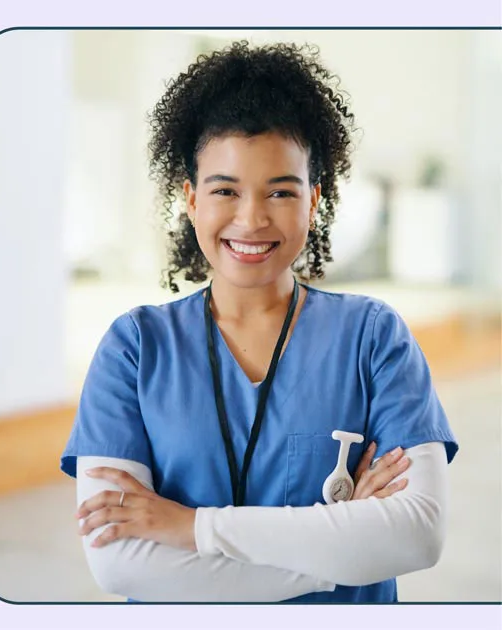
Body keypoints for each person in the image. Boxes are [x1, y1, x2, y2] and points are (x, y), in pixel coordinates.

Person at [60, 40, 458, 603]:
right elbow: (122, 563)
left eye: (280, 191)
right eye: (225, 190)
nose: (251, 219)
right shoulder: (135, 348)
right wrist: (339, 555)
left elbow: (417, 534)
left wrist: (190, 528)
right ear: (191, 199)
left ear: (314, 201)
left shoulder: (373, 337)